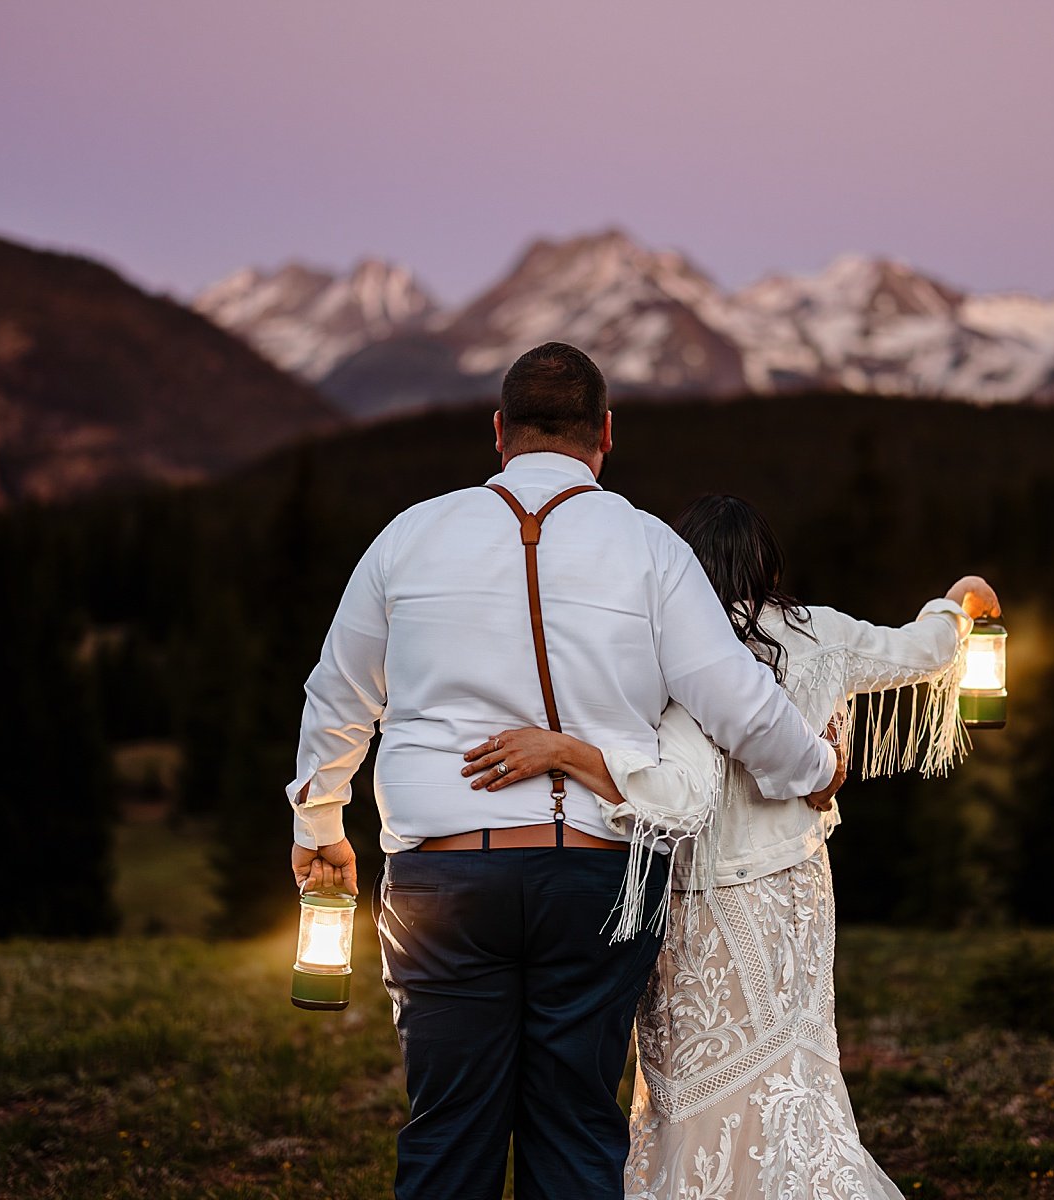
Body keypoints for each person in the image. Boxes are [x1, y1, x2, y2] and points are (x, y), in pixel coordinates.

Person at [287, 345, 843, 1200]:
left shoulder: (410, 535)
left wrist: (319, 824)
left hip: (444, 873)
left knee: (446, 1134)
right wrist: (815, 768)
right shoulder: (651, 547)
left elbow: (337, 696)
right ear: (605, 436)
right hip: (603, 876)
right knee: (579, 1131)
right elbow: (735, 698)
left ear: (500, 430)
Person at [461, 494, 1000, 1199]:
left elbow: (660, 786)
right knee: (795, 1073)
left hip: (688, 897)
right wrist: (958, 606)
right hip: (793, 894)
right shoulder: (819, 635)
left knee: (689, 1082)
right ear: (767, 566)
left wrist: (566, 755)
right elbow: (919, 651)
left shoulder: (661, 650)